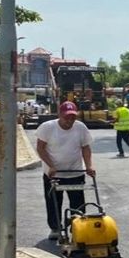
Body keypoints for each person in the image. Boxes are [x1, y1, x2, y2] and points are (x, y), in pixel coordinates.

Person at [36, 101, 95, 240]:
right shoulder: (47, 127)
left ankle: (77, 227)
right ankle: (55, 228)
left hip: (75, 171)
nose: (70, 120)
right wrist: (51, 166)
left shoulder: (80, 128)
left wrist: (89, 166)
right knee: (54, 202)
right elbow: (40, 148)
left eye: (73, 117)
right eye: (66, 117)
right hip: (54, 173)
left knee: (78, 202)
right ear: (60, 115)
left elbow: (86, 147)